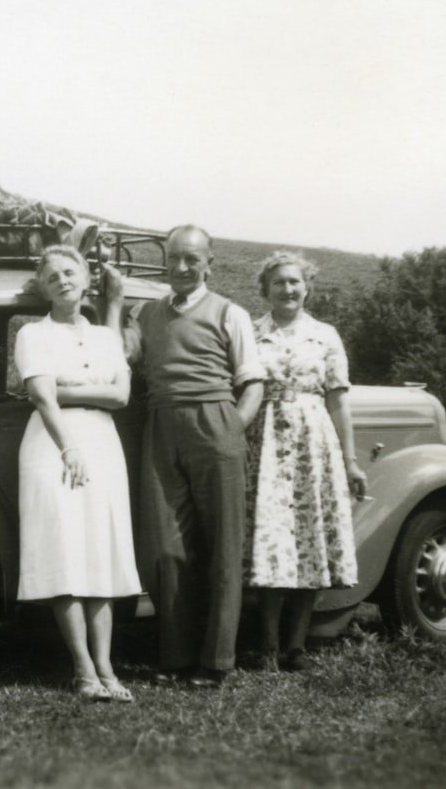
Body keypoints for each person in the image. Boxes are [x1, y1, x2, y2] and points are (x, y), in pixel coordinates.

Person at [105, 225, 265, 688]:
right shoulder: (147, 312)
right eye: (174, 257)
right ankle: (174, 655)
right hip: (161, 425)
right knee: (164, 546)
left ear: (208, 262)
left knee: (222, 545)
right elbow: (120, 353)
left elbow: (252, 380)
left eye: (191, 259)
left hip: (216, 423)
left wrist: (231, 429)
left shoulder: (229, 312)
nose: (180, 266)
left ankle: (215, 661)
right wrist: (113, 301)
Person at [14, 244, 142, 702]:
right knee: (64, 550)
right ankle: (83, 668)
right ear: (43, 289)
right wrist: (68, 444)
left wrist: (67, 385)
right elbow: (42, 398)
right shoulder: (33, 334)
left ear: (87, 278)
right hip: (54, 443)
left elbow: (122, 397)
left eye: (70, 273)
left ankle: (107, 665)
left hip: (103, 443)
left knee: (100, 551)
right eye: (53, 278)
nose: (63, 281)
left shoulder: (107, 338)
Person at [245, 251, 368, 672]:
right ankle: (266, 646)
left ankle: (295, 647)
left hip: (313, 443)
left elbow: (338, 400)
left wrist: (350, 462)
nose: (287, 289)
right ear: (266, 289)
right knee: (271, 540)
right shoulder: (251, 331)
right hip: (264, 440)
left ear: (307, 286)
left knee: (308, 538)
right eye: (278, 282)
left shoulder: (325, 335)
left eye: (294, 282)